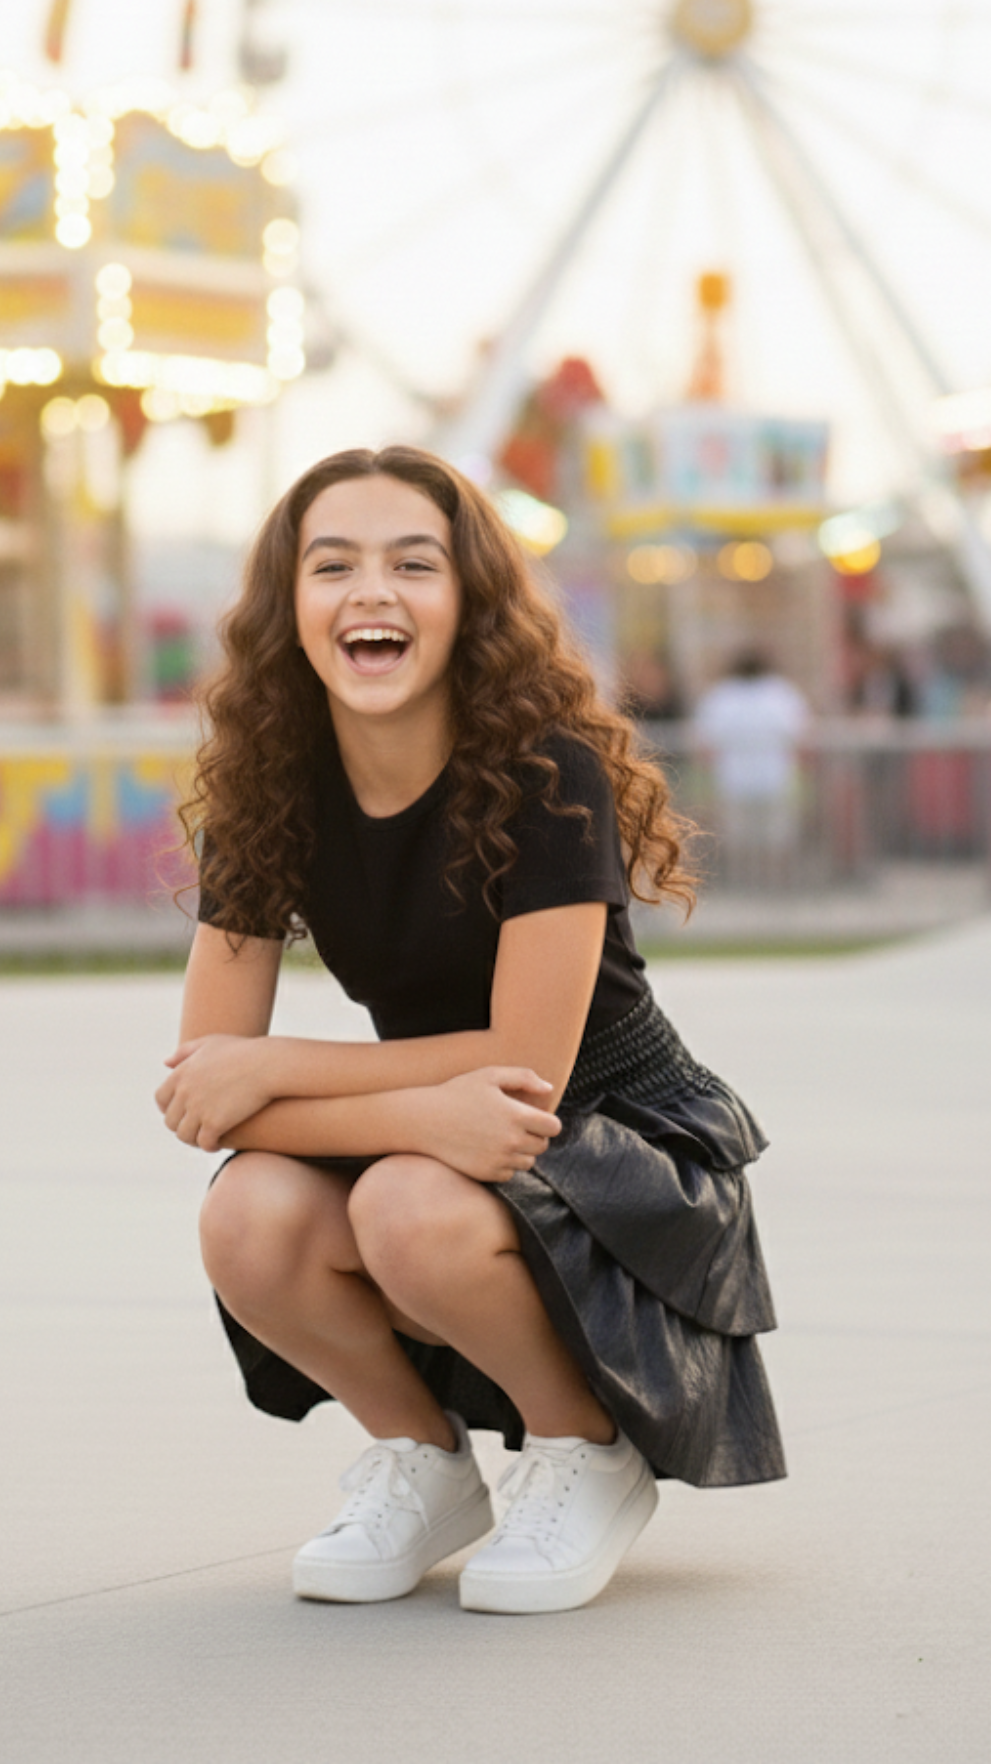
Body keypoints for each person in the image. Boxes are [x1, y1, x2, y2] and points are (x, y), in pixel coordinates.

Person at [156, 447, 783, 1615]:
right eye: (332, 564)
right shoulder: (266, 792)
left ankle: (582, 1445)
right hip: (437, 1133)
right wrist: (416, 1114)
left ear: (468, 600)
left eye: (413, 563)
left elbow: (523, 1065)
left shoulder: (547, 771)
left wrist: (279, 1067)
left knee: (404, 1202)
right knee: (246, 1216)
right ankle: (423, 1458)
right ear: (289, 605)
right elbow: (205, 1088)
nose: (372, 590)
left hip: (609, 1130)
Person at [693, 649, 811, 887]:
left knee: (740, 842)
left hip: (734, 782)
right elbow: (802, 735)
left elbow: (704, 743)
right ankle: (773, 886)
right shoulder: (781, 694)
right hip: (775, 780)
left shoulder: (721, 696)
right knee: (775, 841)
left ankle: (744, 884)